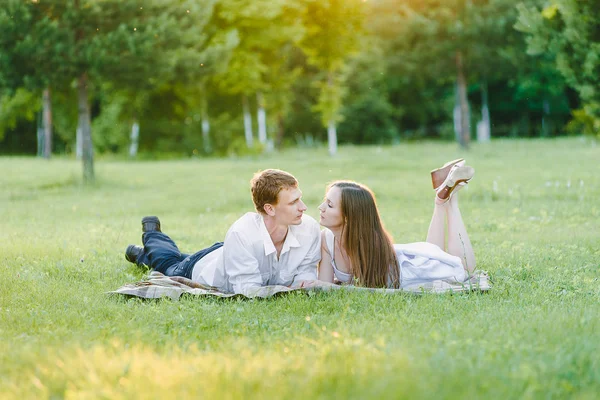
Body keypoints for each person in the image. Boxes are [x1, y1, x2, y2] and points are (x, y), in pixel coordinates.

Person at [124, 169, 321, 296]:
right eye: (294, 202)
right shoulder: (243, 233)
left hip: (228, 253)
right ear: (270, 209)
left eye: (300, 198)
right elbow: (249, 292)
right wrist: (290, 289)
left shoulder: (309, 229)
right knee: (169, 263)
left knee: (172, 258)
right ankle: (152, 232)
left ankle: (140, 254)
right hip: (199, 266)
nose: (303, 207)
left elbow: (306, 278)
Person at [317, 159, 475, 289]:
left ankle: (452, 200)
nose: (321, 208)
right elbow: (326, 286)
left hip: (409, 273)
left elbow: (367, 289)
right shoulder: (326, 240)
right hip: (403, 259)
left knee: (463, 269)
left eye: (330, 205)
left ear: (348, 216)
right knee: (434, 252)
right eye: (325, 201)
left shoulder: (368, 243)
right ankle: (441, 199)